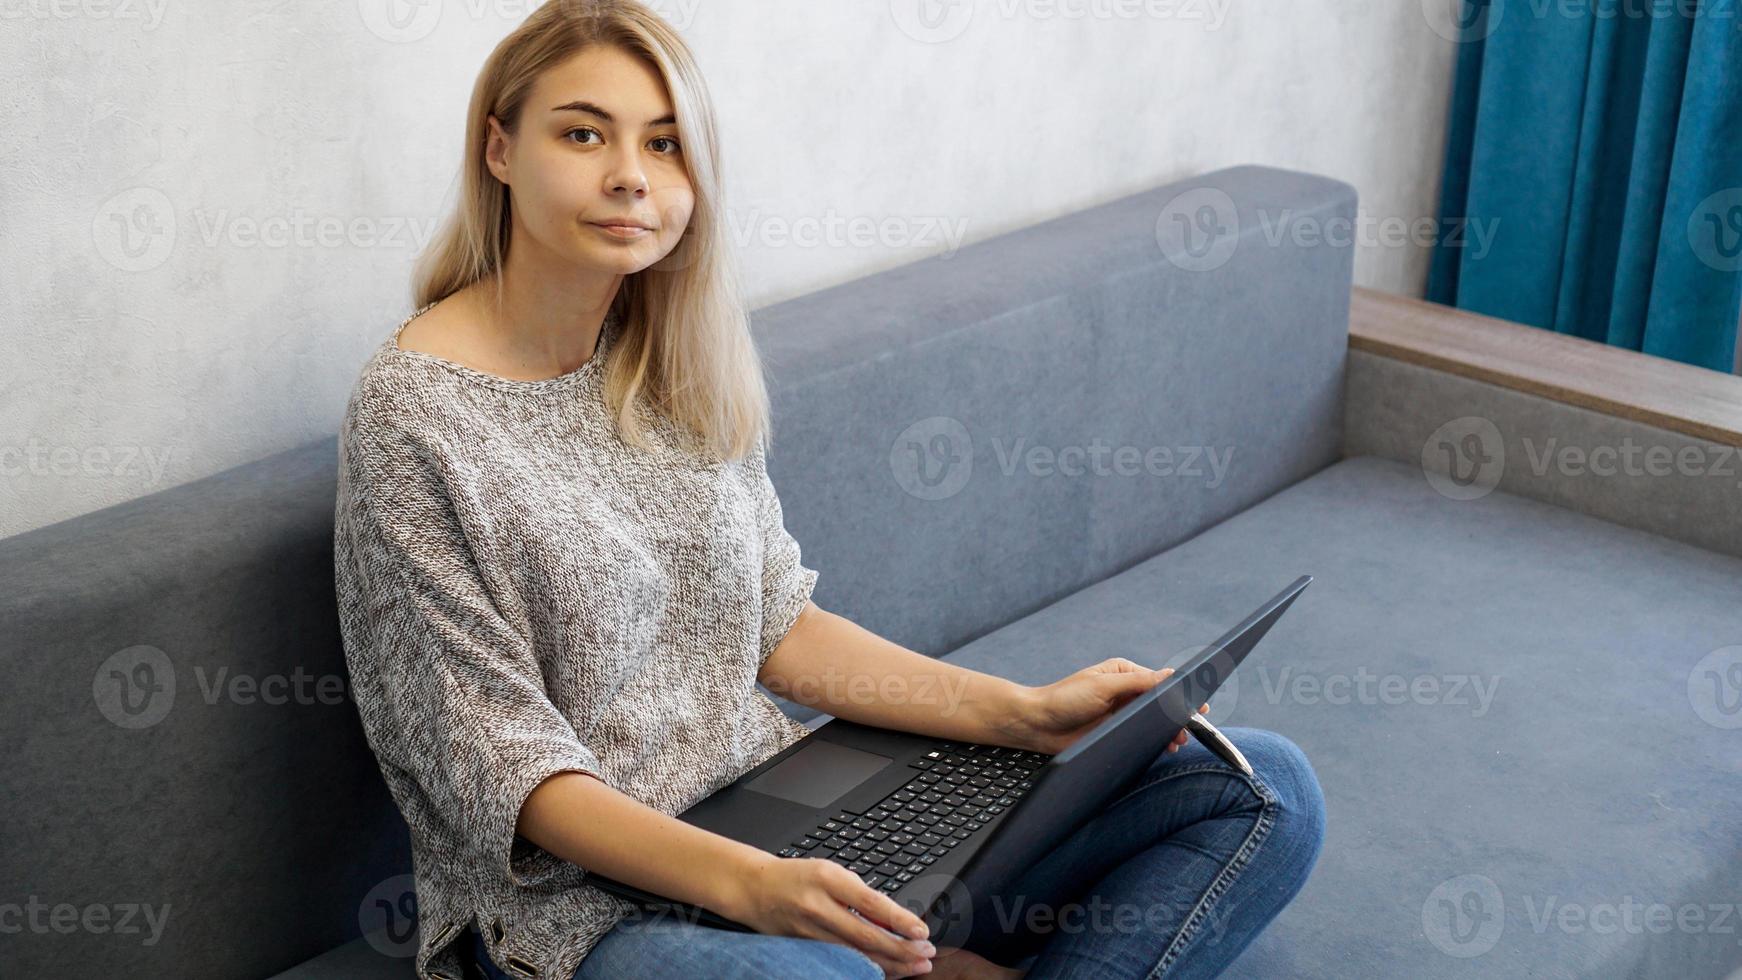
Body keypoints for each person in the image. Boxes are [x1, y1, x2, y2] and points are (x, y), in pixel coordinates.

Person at [332, 3, 1325, 978]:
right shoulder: (413, 416)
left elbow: (778, 625)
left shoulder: (669, 358)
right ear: (498, 148)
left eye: (666, 144)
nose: (629, 175)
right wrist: (751, 886)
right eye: (583, 133)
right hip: (578, 900)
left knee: (1260, 786)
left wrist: (1027, 713)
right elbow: (502, 766)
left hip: (781, 811)